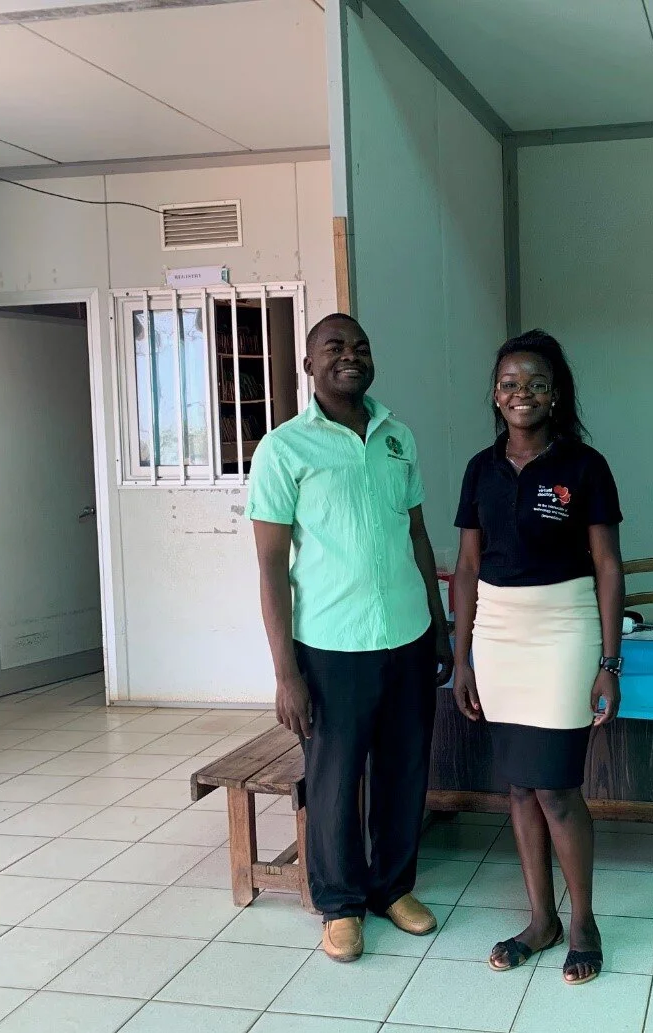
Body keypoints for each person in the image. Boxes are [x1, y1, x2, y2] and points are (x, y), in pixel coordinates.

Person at [247, 313, 453, 963]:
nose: (350, 355)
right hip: (330, 646)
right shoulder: (283, 449)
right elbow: (271, 567)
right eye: (333, 347)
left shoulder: (397, 438)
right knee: (334, 778)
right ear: (309, 365)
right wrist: (286, 673)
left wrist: (439, 623)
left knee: (403, 769)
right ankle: (339, 904)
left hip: (406, 636)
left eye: (360, 346)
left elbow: (415, 534)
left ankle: (392, 886)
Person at [452, 329, 624, 986]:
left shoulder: (584, 466)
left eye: (535, 383)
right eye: (508, 383)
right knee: (518, 784)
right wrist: (461, 653)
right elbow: (466, 567)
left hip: (562, 627)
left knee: (555, 785)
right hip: (496, 631)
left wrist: (610, 661)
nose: (520, 393)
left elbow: (607, 565)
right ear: (495, 396)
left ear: (555, 395)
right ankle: (539, 918)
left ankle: (582, 920)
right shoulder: (479, 468)